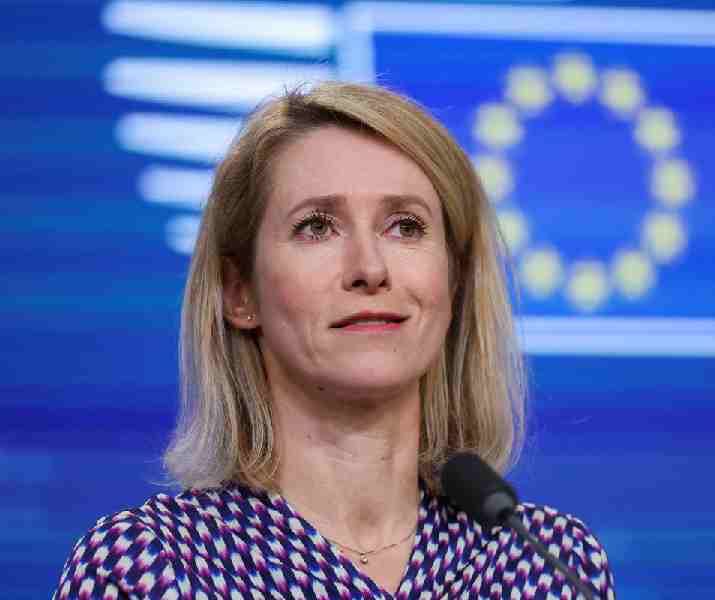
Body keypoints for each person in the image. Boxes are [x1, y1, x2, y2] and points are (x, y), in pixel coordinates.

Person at [53, 82, 615, 600]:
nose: (370, 268)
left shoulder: (546, 563)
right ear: (239, 291)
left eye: (406, 227)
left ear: (455, 281)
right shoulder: (148, 566)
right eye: (317, 226)